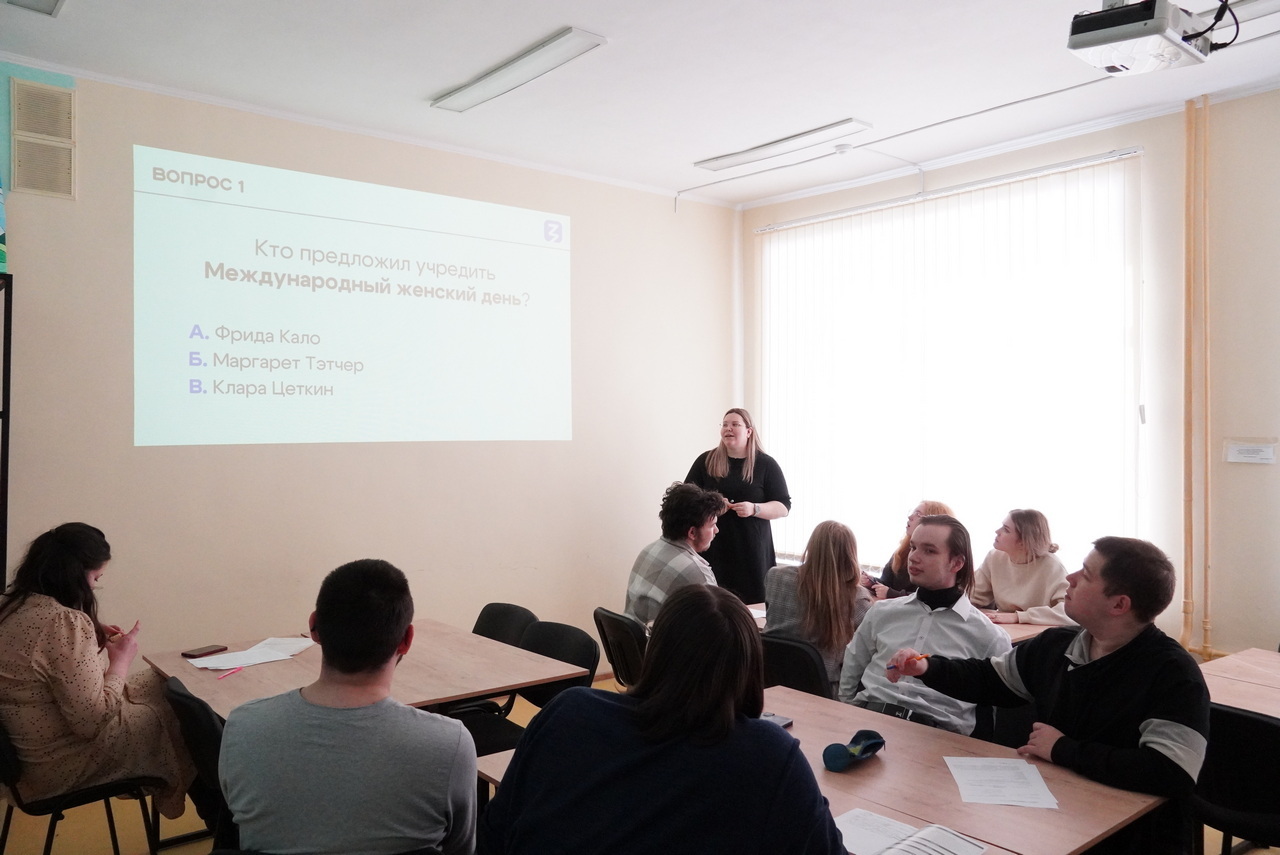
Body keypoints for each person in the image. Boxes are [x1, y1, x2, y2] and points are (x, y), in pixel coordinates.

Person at [887, 537, 1209, 855]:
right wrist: (928, 667)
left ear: (1118, 605)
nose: (1070, 578)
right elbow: (989, 679)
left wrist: (1062, 748)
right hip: (1061, 816)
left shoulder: (1173, 673)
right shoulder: (1057, 645)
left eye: (1086, 574)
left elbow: (1171, 772)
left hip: (1132, 838)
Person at [478, 585, 844, 855]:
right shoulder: (767, 756)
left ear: (653, 652)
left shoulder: (569, 711)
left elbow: (494, 833)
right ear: (749, 668)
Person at [219, 559, 477, 855]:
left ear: (314, 626)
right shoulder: (449, 744)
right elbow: (461, 848)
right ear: (406, 639)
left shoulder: (243, 726)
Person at [0, 523, 196, 819]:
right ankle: (218, 816)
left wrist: (89, 634)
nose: (93, 587)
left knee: (166, 683)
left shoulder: (9, 605)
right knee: (185, 712)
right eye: (95, 578)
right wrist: (121, 660)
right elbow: (90, 722)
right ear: (74, 575)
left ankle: (214, 812)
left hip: (22, 762)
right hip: (58, 766)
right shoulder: (62, 623)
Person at [838, 515, 1011, 734]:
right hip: (869, 721)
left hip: (935, 735)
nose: (914, 557)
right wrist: (844, 713)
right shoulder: (883, 612)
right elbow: (852, 665)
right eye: (913, 547)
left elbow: (998, 716)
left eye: (929, 551)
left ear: (957, 563)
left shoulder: (989, 636)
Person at [685, 408, 791, 603]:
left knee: (753, 607)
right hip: (714, 549)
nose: (728, 428)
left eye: (735, 424)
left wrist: (754, 509)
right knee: (713, 604)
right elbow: (686, 499)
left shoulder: (766, 464)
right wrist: (713, 505)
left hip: (752, 551)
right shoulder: (705, 461)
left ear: (749, 431)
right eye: (725, 425)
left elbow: (783, 507)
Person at [764, 521, 873, 691]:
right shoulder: (857, 598)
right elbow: (871, 647)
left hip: (771, 682)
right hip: (823, 689)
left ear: (812, 545)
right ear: (850, 554)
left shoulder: (776, 577)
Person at [624, 482, 726, 624]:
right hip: (661, 638)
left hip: (633, 637)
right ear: (692, 532)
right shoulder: (698, 573)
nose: (717, 530)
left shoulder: (648, 551)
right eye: (712, 525)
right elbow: (717, 627)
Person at [972, 509, 1074, 626]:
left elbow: (1070, 612)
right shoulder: (994, 557)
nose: (997, 531)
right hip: (1007, 629)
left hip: (1039, 633)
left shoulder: (1052, 566)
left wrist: (1019, 617)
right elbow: (973, 596)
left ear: (1024, 541)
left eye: (1006, 529)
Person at [874, 499, 954, 599]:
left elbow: (930, 597)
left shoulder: (940, 561)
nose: (910, 517)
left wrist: (891, 594)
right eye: (913, 548)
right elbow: (885, 583)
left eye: (918, 514)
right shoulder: (901, 552)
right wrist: (871, 582)